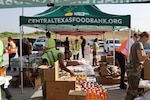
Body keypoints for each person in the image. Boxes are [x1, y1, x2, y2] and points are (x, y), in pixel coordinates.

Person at [125, 31, 150, 100]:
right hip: (134, 68)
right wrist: (148, 55)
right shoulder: (139, 44)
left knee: (131, 88)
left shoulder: (136, 43)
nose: (147, 41)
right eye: (147, 39)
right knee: (133, 89)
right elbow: (141, 58)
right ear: (144, 37)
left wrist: (146, 57)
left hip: (132, 67)